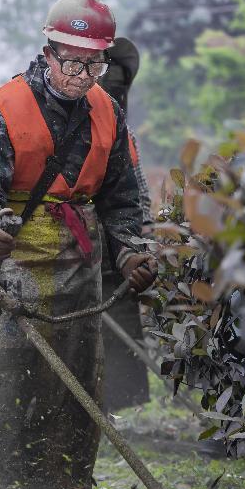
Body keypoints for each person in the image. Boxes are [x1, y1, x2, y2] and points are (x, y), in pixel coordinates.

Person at [0, 0, 158, 489]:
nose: (83, 76)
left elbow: (122, 197)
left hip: (79, 264)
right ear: (48, 52)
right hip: (16, 260)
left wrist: (131, 250)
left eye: (94, 65)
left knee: (76, 385)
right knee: (9, 382)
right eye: (73, 63)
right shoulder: (4, 106)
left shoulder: (107, 112)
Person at [98, 37, 152, 410]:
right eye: (109, 79)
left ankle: (111, 412)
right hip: (73, 249)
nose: (115, 87)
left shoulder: (124, 134)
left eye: (120, 81)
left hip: (118, 253)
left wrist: (142, 243)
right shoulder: (64, 127)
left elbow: (138, 194)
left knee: (117, 343)